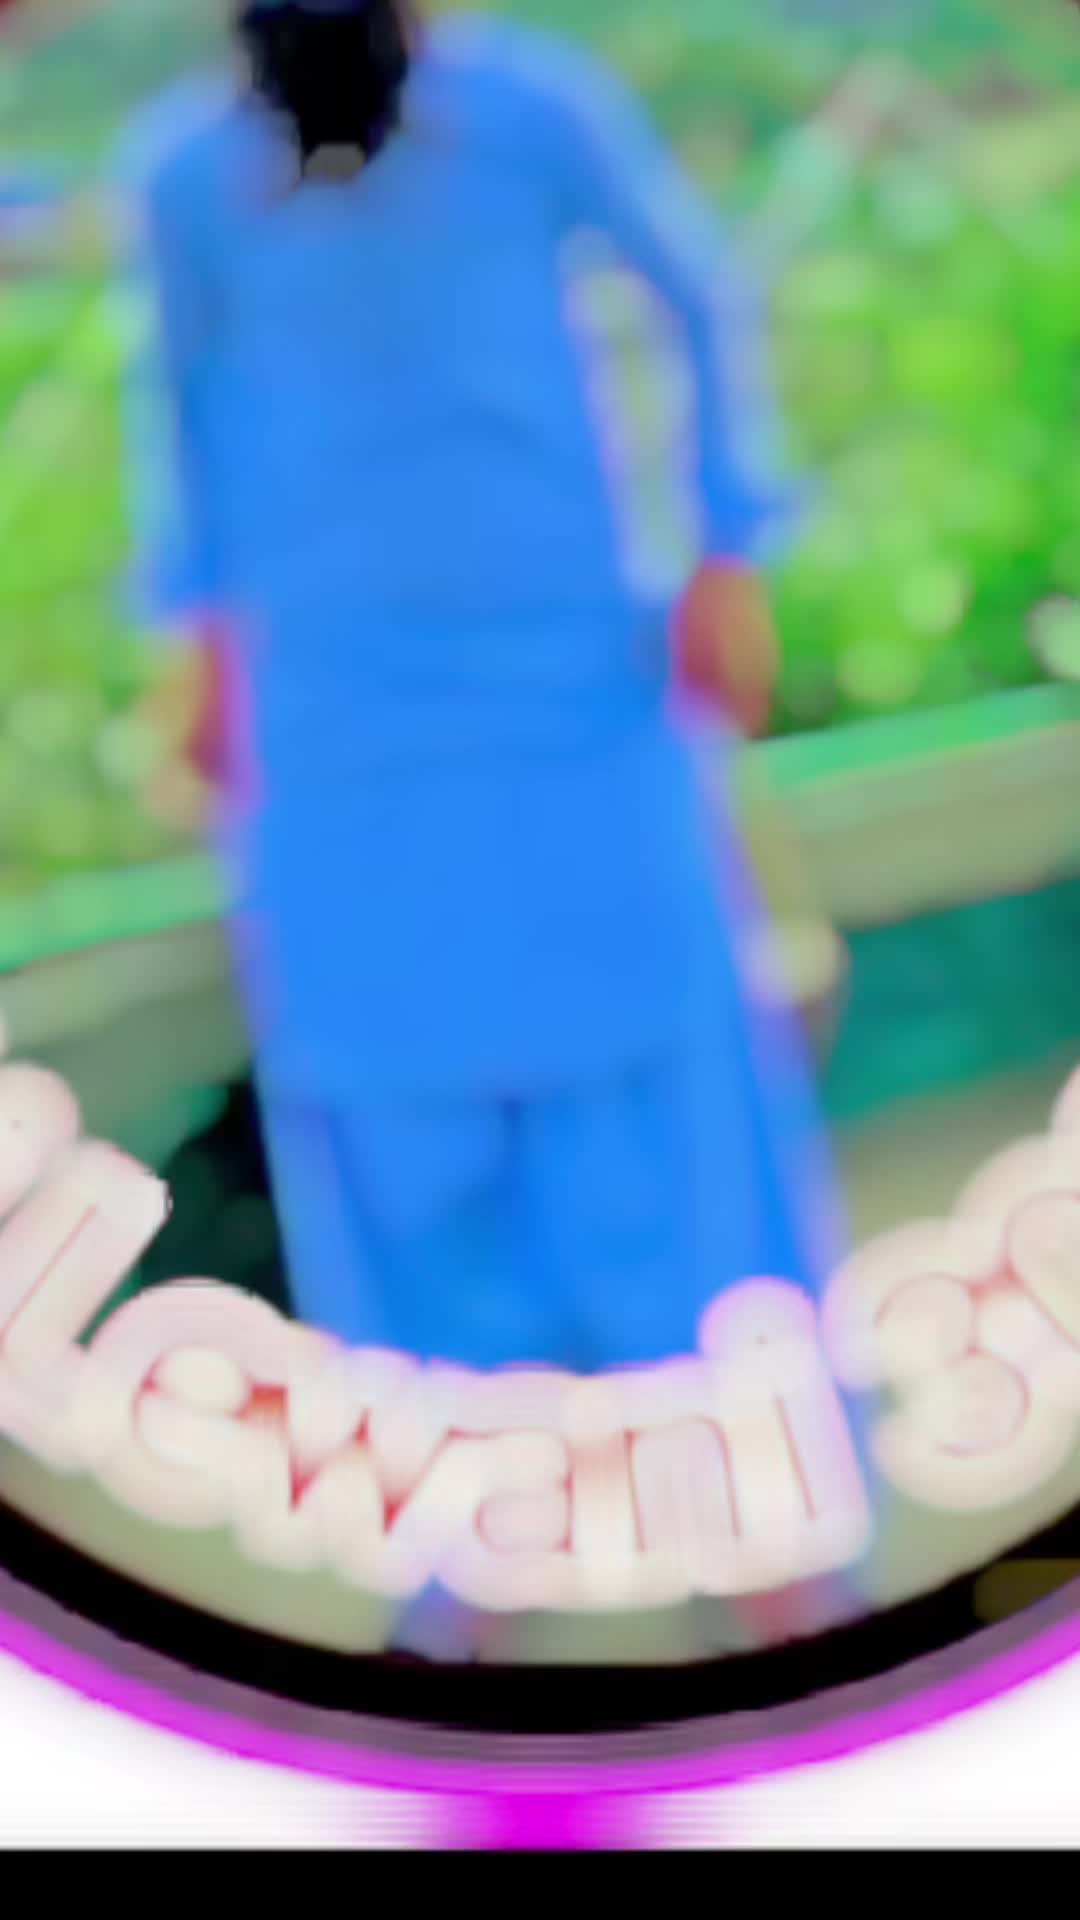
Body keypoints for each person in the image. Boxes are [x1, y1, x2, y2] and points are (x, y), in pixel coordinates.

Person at [117, 0, 848, 1657]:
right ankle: (464, 1570)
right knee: (394, 1132)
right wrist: (205, 664)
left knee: (668, 1115)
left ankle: (775, 1555)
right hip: (336, 745)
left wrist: (726, 549)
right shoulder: (186, 177)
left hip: (574, 705)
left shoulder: (529, 111)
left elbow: (700, 295)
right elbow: (187, 425)